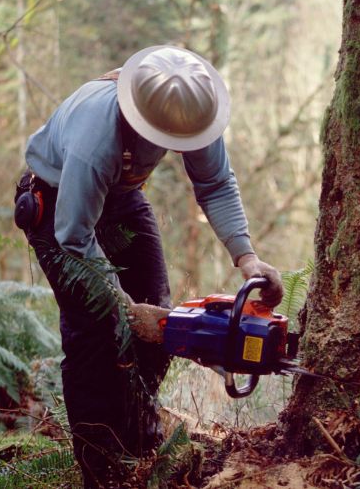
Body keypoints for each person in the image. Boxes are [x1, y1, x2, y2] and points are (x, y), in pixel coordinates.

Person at [14, 45, 283, 487]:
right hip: (57, 206)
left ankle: (140, 444)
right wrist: (122, 305)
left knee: (163, 320)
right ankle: (100, 468)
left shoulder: (192, 110)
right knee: (94, 335)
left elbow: (215, 183)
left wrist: (247, 257)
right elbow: (74, 236)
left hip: (121, 200)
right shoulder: (95, 139)